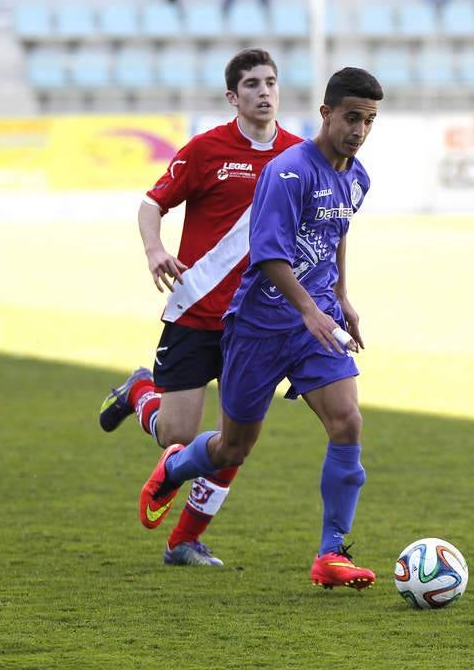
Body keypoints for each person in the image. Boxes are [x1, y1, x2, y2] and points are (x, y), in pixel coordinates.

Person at [139, 67, 384, 590]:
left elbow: (336, 229)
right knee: (232, 448)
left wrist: (339, 297)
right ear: (326, 113)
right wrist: (309, 310)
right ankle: (175, 468)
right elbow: (270, 256)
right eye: (351, 118)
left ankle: (331, 553)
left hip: (313, 322)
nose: (359, 130)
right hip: (260, 326)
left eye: (369, 120)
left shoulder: (357, 176)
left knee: (348, 423)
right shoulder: (288, 171)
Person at [99, 48, 303, 567]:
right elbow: (152, 203)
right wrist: (155, 249)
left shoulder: (299, 158)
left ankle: (184, 541)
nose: (264, 91)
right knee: (177, 439)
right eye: (253, 84)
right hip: (196, 311)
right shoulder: (206, 149)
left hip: (255, 323)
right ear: (233, 97)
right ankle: (140, 393)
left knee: (234, 443)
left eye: (271, 82)